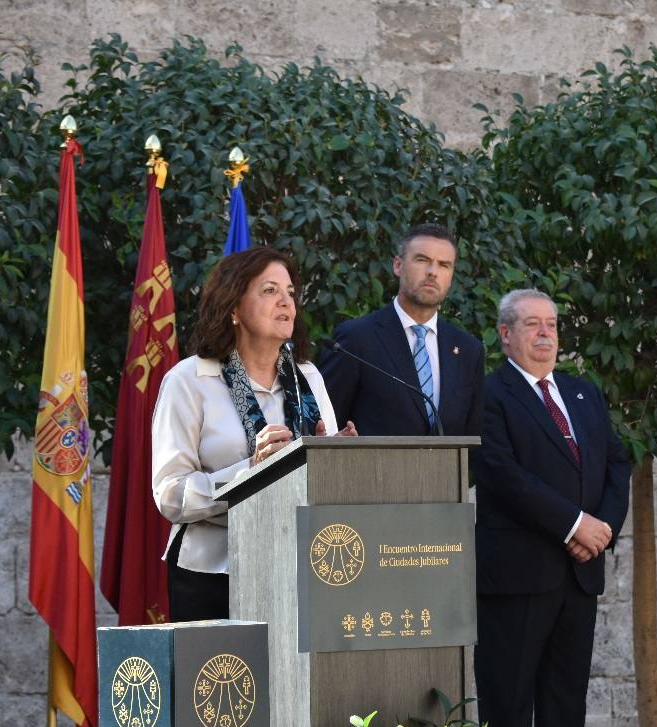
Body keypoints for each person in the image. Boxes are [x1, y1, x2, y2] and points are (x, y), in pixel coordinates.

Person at [472, 288, 630, 727]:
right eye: (533, 325)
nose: (545, 335)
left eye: (552, 325)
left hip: (578, 574)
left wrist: (599, 529)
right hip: (518, 574)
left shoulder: (584, 394)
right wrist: (573, 525)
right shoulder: (489, 394)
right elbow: (500, 472)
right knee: (510, 697)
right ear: (505, 335)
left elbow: (617, 462)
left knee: (566, 696)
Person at [151, 246, 355, 621]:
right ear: (233, 309)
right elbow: (170, 496)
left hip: (300, 568)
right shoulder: (189, 381)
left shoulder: (307, 377)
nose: (286, 303)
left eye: (290, 293)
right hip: (213, 576)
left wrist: (338, 458)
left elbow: (317, 476)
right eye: (269, 291)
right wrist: (249, 472)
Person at [319, 223, 484, 435]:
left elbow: (473, 436)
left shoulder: (468, 350)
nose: (432, 272)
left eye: (444, 265)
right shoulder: (355, 340)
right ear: (398, 266)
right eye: (422, 260)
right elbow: (326, 428)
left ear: (451, 276)